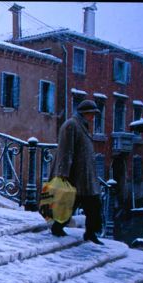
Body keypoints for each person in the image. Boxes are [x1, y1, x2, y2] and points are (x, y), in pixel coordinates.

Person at [49, 99, 103, 245]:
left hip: (84, 175)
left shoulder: (82, 125)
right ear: (85, 113)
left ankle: (90, 233)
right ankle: (58, 227)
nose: (93, 117)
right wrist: (63, 174)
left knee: (89, 204)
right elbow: (65, 151)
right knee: (72, 203)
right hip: (75, 175)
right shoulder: (71, 125)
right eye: (92, 114)